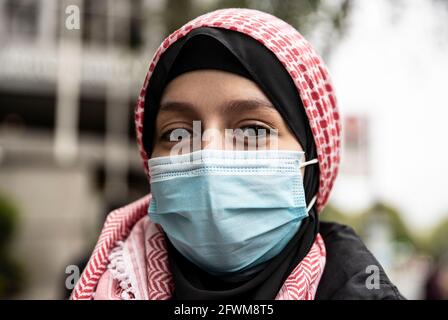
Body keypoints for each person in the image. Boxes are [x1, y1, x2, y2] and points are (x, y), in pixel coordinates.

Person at [71, 8, 404, 300]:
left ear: (313, 161)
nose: (206, 154)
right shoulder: (99, 281)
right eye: (178, 134)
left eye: (253, 131)